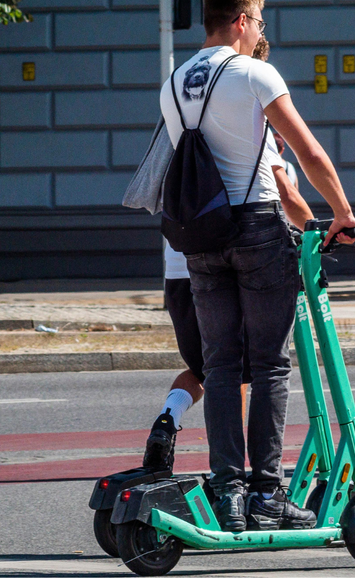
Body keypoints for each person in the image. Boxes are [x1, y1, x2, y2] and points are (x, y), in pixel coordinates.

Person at [159, 0, 355, 533]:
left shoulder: (174, 81)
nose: (260, 34)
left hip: (201, 237)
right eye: (260, 24)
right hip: (256, 227)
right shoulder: (254, 73)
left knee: (221, 364)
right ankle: (268, 493)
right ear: (243, 21)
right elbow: (306, 150)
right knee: (269, 364)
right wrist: (341, 212)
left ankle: (229, 494)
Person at [143, 37, 313, 474]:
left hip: (184, 263)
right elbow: (288, 189)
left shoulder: (182, 112)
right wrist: (317, 230)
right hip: (246, 241)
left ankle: (176, 426)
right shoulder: (252, 130)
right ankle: (253, 481)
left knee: (211, 368)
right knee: (260, 368)